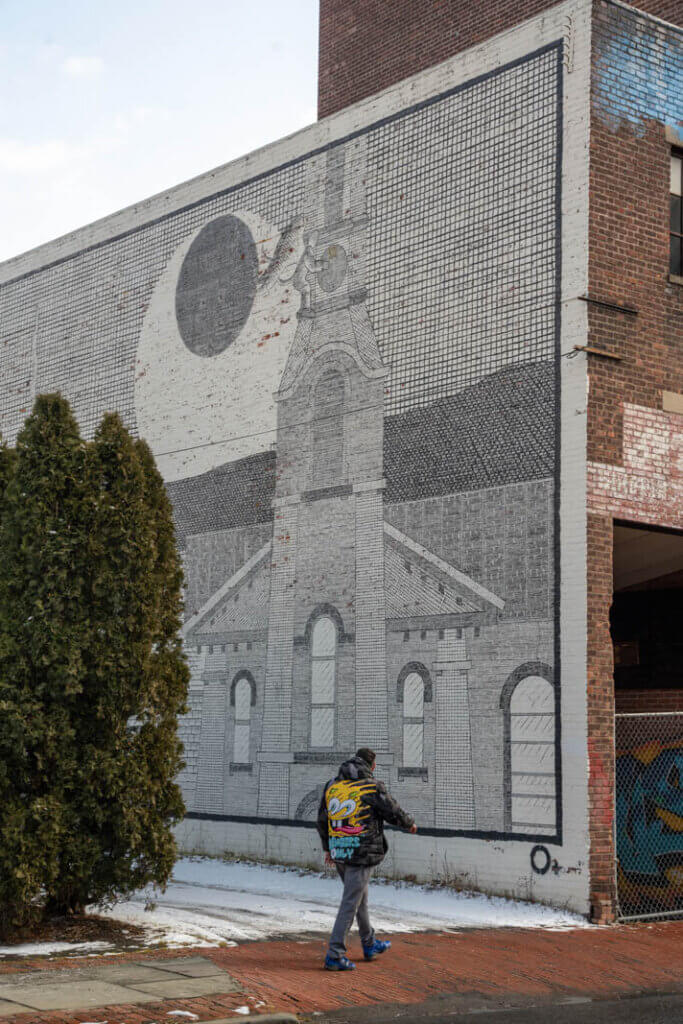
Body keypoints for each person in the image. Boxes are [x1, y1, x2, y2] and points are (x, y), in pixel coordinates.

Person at [317, 746, 417, 971]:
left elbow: (322, 820)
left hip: (340, 851)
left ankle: (369, 943)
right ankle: (335, 954)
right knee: (351, 903)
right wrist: (409, 824)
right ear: (371, 765)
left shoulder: (332, 785)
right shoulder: (372, 786)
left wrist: (328, 848)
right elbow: (392, 811)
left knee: (359, 898)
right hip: (361, 854)